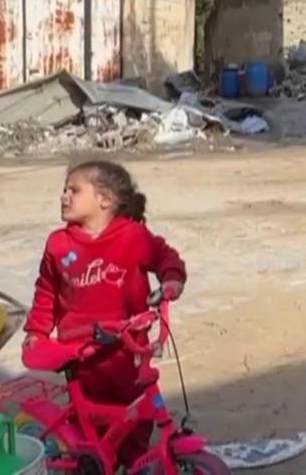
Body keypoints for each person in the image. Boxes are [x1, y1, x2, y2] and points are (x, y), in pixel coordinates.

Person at [24, 161, 187, 466]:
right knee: (92, 422)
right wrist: (37, 332)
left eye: (74, 190)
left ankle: (134, 461)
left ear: (106, 199)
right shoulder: (58, 245)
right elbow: (46, 291)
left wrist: (171, 279)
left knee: (137, 415)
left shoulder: (133, 236)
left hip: (128, 350)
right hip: (81, 354)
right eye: (64, 190)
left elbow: (165, 255)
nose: (64, 196)